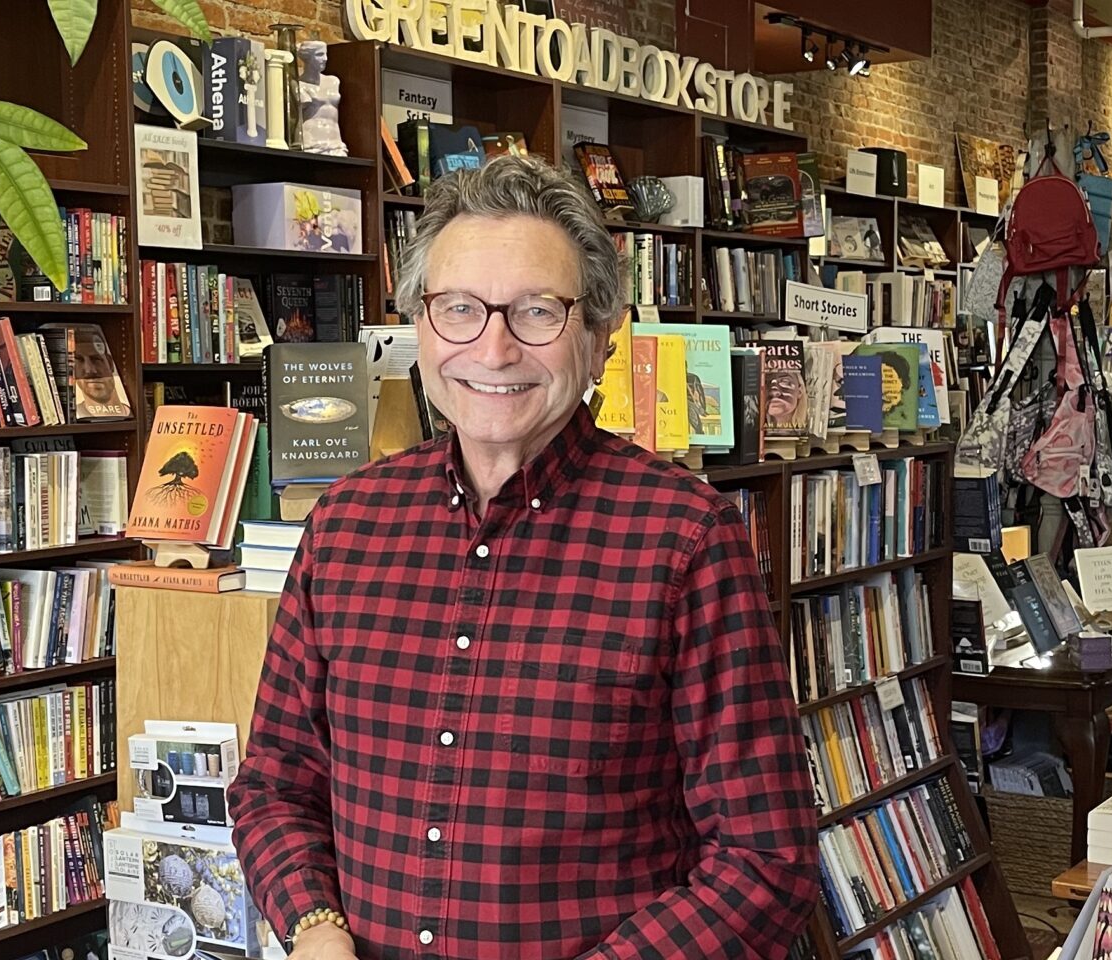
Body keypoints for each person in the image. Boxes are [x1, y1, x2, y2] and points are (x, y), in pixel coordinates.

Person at [227, 154, 819, 959]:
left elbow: (765, 861)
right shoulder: (344, 526)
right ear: (418, 326)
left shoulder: (686, 541)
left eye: (537, 311)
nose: (494, 349)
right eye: (459, 309)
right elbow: (274, 785)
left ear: (600, 335)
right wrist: (314, 928)